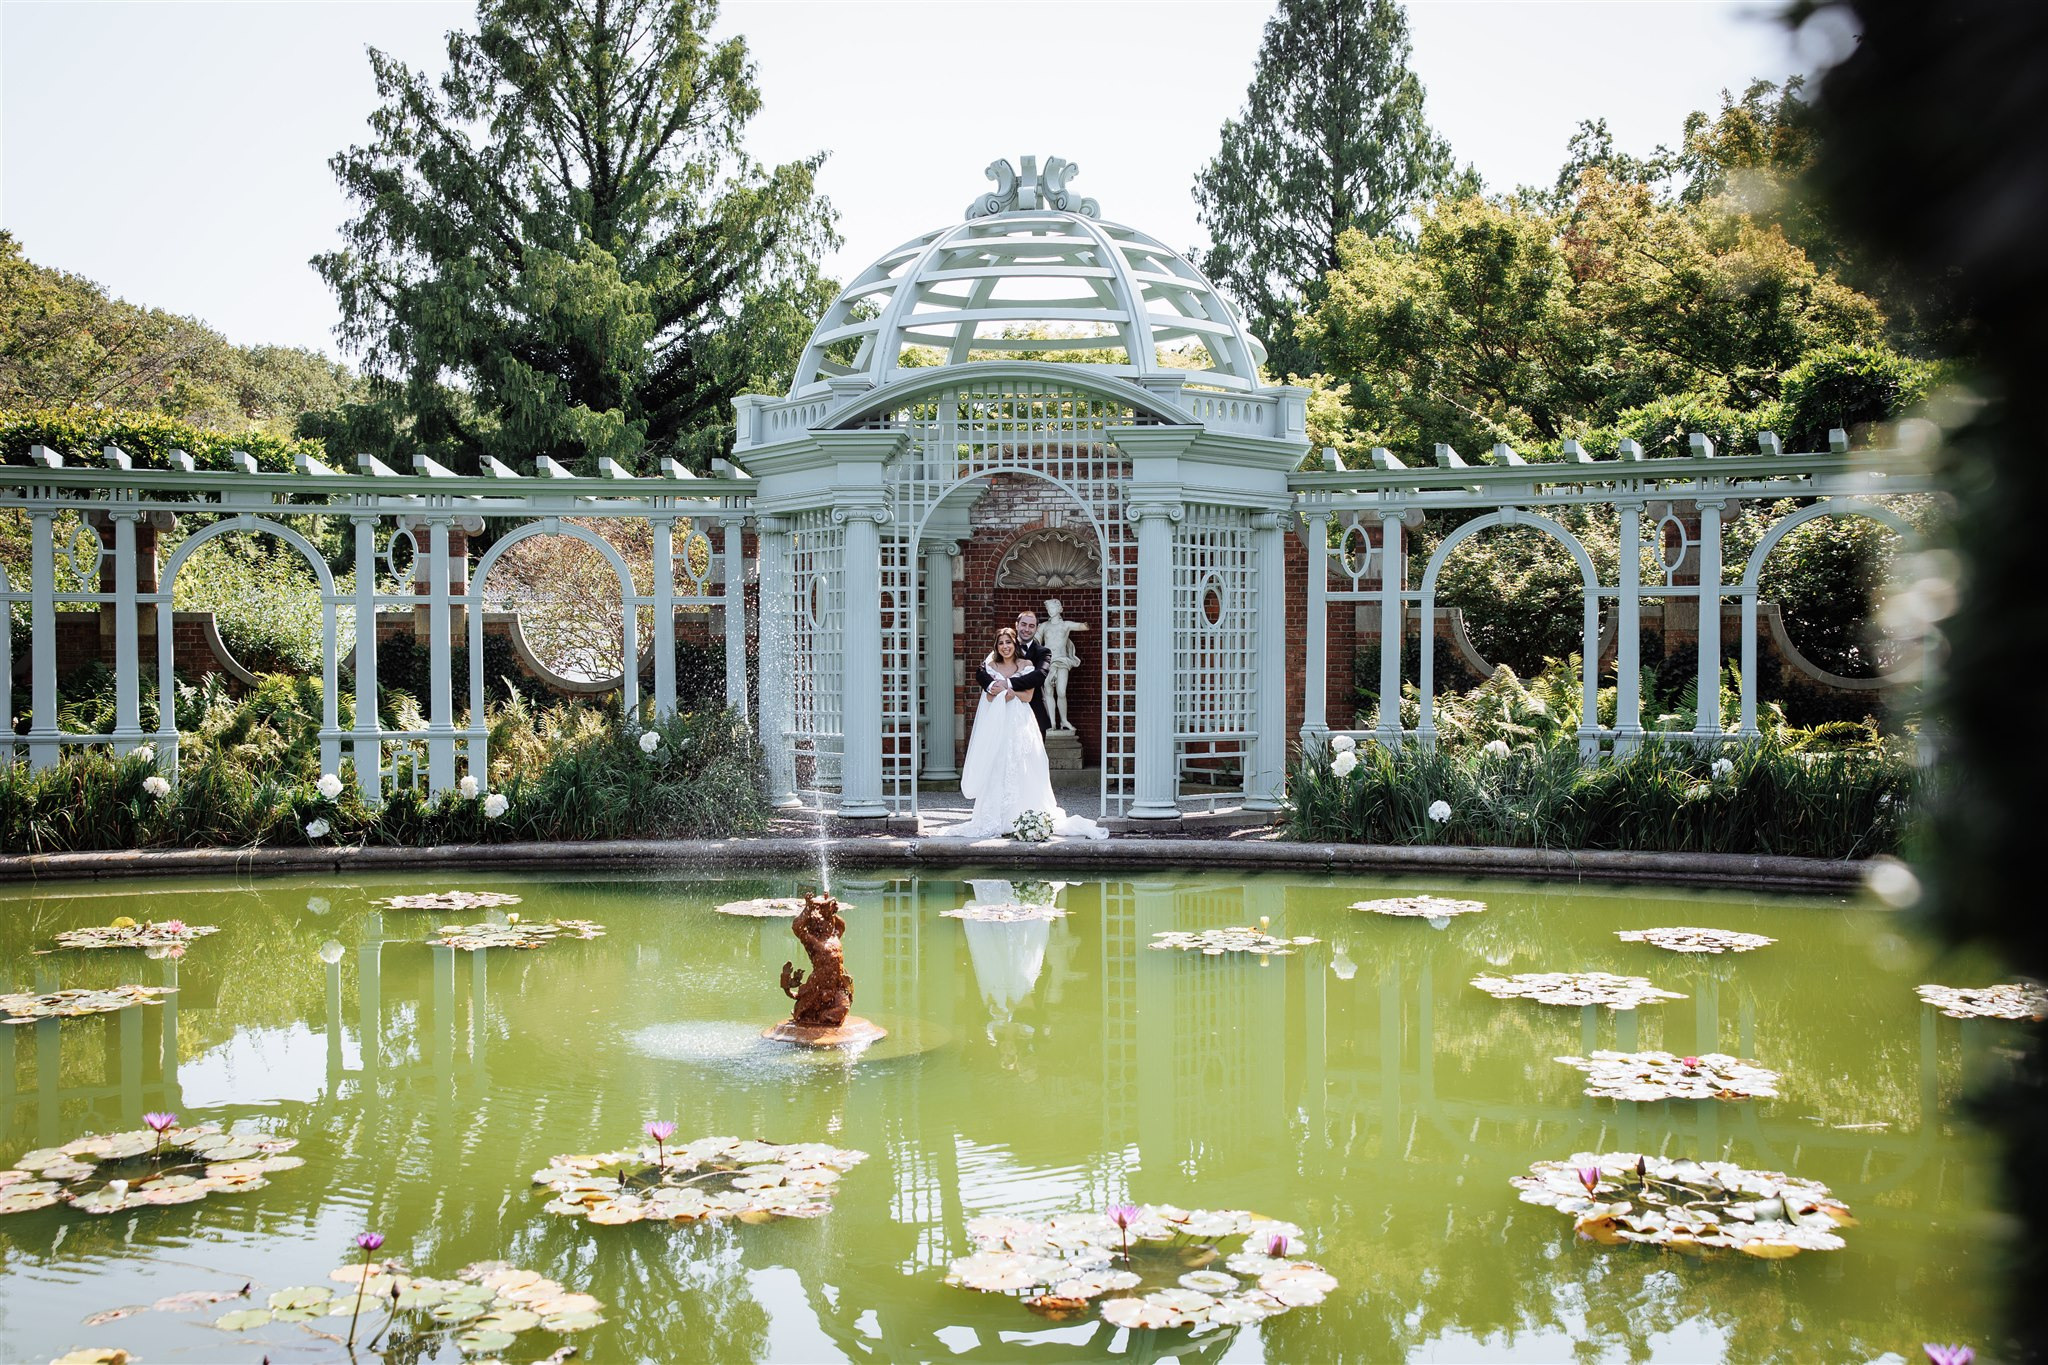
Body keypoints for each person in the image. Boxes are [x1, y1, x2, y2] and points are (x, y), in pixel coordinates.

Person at [950, 627, 1107, 840]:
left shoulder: (1026, 666)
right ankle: (997, 818)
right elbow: (987, 698)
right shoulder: (990, 667)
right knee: (998, 764)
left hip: (1020, 722)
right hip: (998, 724)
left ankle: (1023, 816)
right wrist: (999, 693)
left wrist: (1008, 692)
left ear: (1015, 645)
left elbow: (1027, 696)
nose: (1005, 646)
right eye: (1001, 643)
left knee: (1024, 765)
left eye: (1008, 642)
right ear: (996, 646)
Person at [978, 610, 1051, 733]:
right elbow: (981, 671)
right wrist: (993, 686)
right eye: (1023, 624)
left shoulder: (1043, 652)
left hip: (1034, 712)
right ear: (1017, 625)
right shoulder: (1004, 646)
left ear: (1037, 628)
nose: (1027, 629)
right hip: (1001, 713)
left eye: (1031, 626)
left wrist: (1007, 684)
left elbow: (1039, 675)